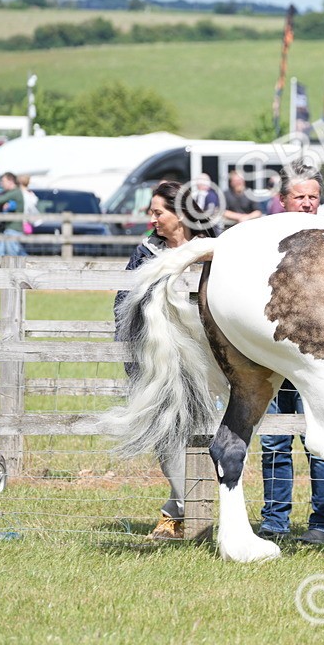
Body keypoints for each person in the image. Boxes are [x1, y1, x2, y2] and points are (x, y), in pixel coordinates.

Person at [114, 180, 217, 540]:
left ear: (181, 215)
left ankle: (178, 512)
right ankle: (192, 510)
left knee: (213, 435)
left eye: (158, 211)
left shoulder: (213, 252)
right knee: (169, 433)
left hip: (211, 361)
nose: (152, 218)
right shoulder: (145, 253)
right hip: (162, 361)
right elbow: (122, 303)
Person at [257, 160, 324, 546]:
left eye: (313, 197)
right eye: (300, 197)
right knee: (274, 439)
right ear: (283, 200)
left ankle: (322, 525)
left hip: (320, 356)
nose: (307, 203)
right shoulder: (260, 238)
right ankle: (274, 523)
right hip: (274, 354)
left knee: (321, 441)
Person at [0, 172, 27, 257]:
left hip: (13, 228)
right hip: (9, 228)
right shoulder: (12, 192)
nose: (2, 184)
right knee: (10, 254)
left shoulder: (14, 192)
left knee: (13, 256)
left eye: (3, 181)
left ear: (10, 181)